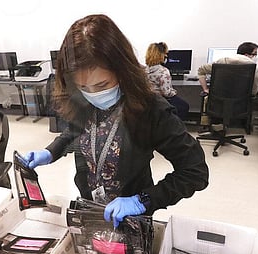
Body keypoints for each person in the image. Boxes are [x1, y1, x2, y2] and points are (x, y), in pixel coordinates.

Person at [20, 14, 209, 228]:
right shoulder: (83, 101)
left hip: (130, 216)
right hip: (90, 206)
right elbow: (77, 130)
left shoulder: (151, 110)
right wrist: (52, 151)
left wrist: (142, 200)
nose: (92, 94)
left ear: (123, 71)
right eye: (83, 88)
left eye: (101, 85)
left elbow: (195, 172)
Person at [197, 42, 258, 132]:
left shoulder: (223, 61)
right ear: (247, 55)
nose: (255, 57)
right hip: (239, 105)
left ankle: (215, 126)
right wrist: (251, 95)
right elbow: (254, 89)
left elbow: (201, 70)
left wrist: (205, 89)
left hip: (217, 103)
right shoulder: (252, 67)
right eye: (255, 54)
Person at [145, 42, 190, 120]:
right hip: (161, 100)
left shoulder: (145, 69)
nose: (166, 56)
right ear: (161, 55)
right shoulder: (163, 71)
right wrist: (174, 92)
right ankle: (175, 127)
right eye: (165, 54)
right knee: (184, 106)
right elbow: (167, 93)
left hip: (150, 99)